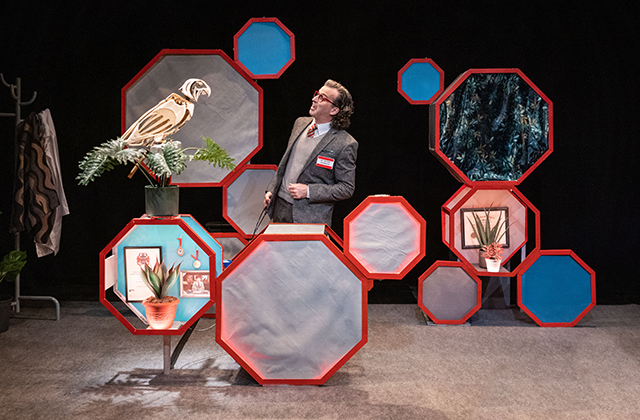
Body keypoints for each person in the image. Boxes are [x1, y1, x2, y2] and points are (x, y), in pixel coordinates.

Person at [263, 79, 357, 227]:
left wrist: (308, 191)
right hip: (280, 206)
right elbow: (286, 162)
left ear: (334, 110)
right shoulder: (300, 123)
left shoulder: (345, 143)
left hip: (309, 217)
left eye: (322, 98)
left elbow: (346, 188)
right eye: (316, 94)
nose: (314, 99)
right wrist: (272, 189)